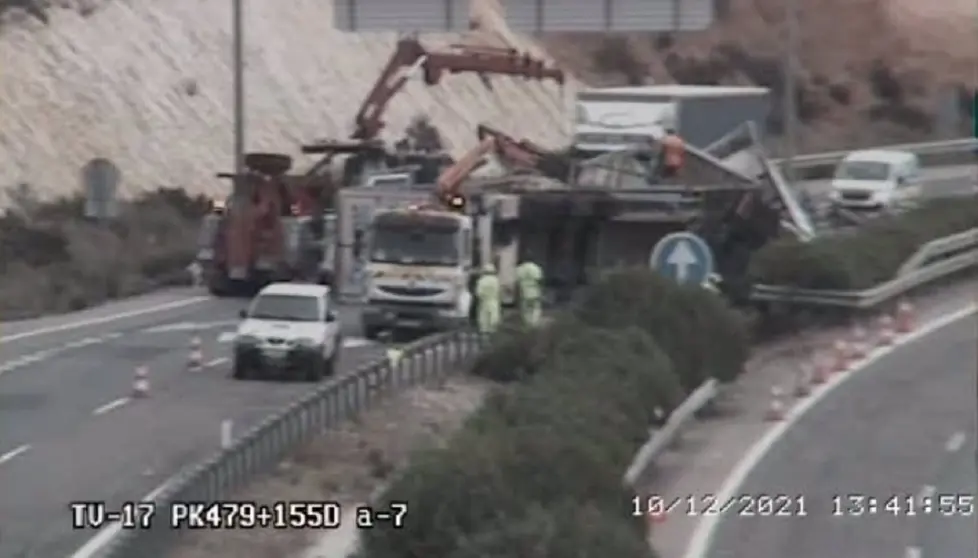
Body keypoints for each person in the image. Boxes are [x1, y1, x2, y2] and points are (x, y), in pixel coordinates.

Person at [515, 259, 543, 326]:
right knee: (535, 307)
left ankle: (527, 322)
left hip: (524, 292)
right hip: (534, 291)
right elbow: (539, 280)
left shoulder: (519, 269)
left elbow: (517, 282)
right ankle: (535, 322)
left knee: (525, 309)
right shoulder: (535, 267)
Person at [475, 263, 501, 334]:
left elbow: (478, 292)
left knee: (484, 317)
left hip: (484, 301)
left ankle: (484, 330)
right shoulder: (496, 280)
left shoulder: (481, 280)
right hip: (494, 300)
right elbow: (499, 290)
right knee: (494, 315)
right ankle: (493, 330)